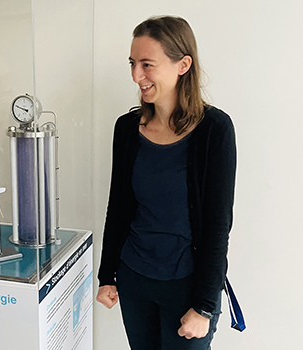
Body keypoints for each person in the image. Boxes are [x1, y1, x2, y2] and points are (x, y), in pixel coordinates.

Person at [96, 16, 236, 350]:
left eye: (147, 64)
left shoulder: (214, 130)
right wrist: (107, 275)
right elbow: (118, 207)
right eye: (132, 63)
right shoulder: (127, 129)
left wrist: (204, 305)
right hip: (135, 279)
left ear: (183, 64)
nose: (135, 76)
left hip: (187, 286)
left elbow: (219, 224)